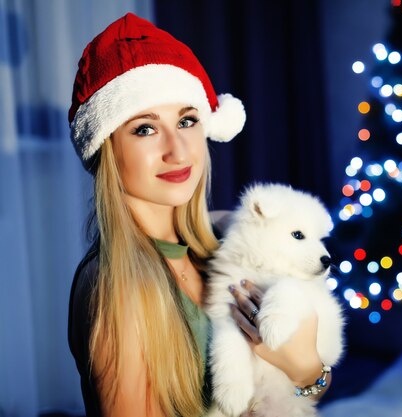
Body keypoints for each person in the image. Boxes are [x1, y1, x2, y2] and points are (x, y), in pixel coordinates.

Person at [67, 13, 330, 417]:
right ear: (106, 149)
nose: (178, 149)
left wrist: (307, 368)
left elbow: (296, 391)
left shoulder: (225, 235)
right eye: (144, 128)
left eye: (187, 120)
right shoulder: (119, 287)